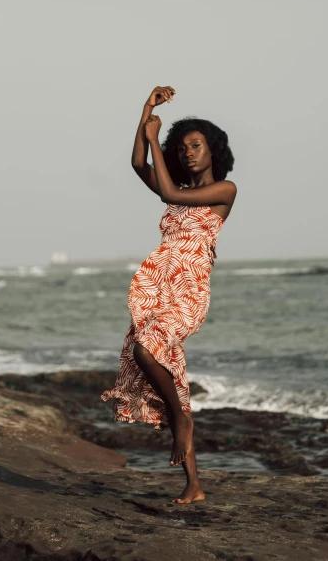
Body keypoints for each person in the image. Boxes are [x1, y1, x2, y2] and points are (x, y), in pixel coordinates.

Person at [101, 86, 236, 504]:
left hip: (188, 291)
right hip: (159, 286)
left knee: (146, 349)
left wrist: (158, 136)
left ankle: (180, 421)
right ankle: (193, 484)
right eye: (181, 148)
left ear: (212, 150)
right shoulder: (175, 184)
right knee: (168, 368)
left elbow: (170, 194)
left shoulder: (225, 191)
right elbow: (137, 162)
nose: (187, 153)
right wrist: (146, 112)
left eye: (195, 145)